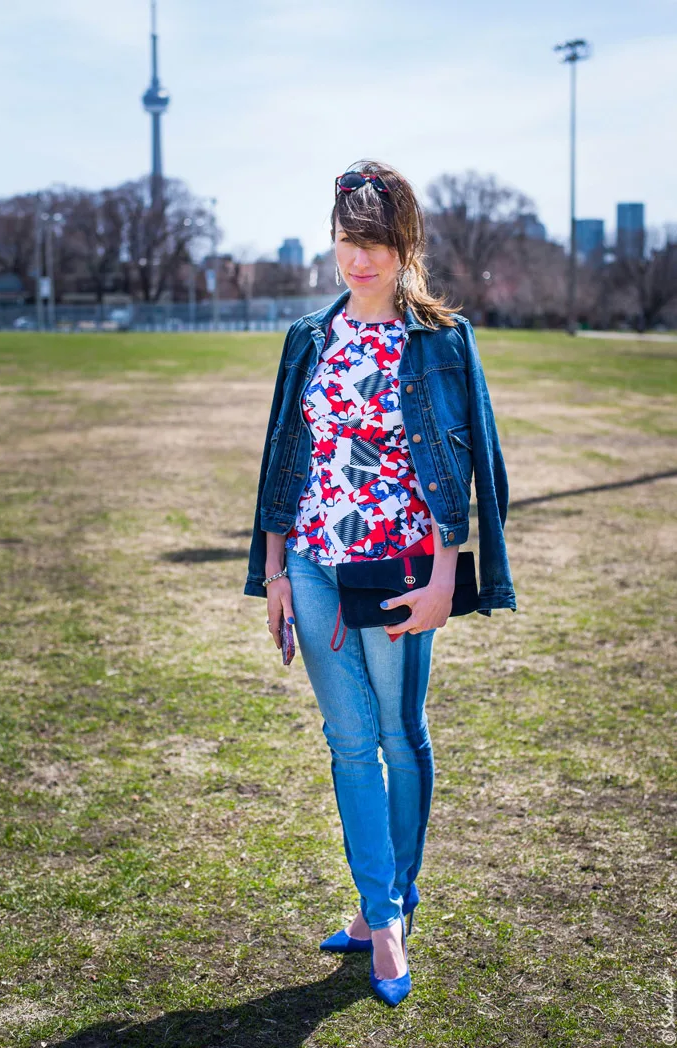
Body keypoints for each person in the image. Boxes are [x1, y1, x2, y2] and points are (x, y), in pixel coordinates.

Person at [244, 159, 516, 1006]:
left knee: (401, 737)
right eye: (347, 240)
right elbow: (286, 459)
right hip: (319, 566)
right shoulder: (309, 338)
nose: (359, 259)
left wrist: (446, 579)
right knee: (349, 740)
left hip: (402, 571)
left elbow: (474, 468)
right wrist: (278, 571)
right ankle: (380, 914)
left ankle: (398, 897)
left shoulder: (441, 341)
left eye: (376, 242)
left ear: (405, 246)